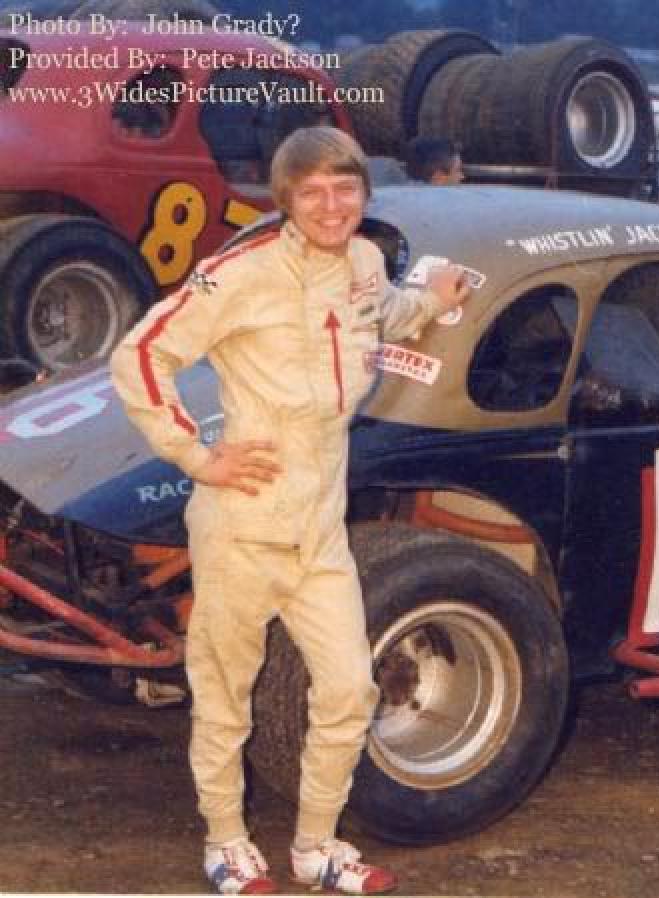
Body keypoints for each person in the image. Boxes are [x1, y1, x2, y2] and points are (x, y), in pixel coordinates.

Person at [109, 125, 470, 895]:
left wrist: (434, 300)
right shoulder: (240, 272)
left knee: (349, 690)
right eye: (312, 193)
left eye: (345, 189)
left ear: (364, 192)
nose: (331, 206)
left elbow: (382, 314)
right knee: (225, 696)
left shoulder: (365, 261)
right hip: (243, 522)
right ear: (285, 200)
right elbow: (139, 354)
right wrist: (196, 456)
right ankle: (226, 843)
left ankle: (316, 847)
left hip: (320, 530)